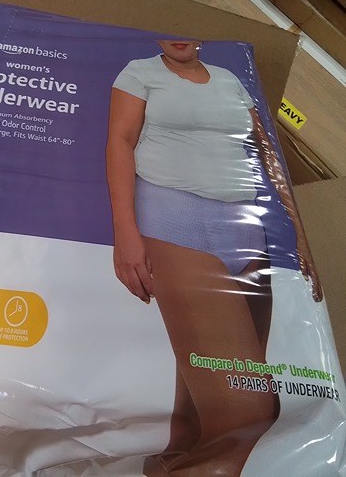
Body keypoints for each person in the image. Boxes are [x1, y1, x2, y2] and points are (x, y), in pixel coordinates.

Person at [105, 40, 322, 476]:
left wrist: (299, 235)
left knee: (196, 429)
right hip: (175, 221)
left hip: (247, 230)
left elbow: (266, 153)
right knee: (247, 415)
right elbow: (120, 142)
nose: (179, 37)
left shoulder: (230, 80)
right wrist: (125, 234)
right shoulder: (141, 72)